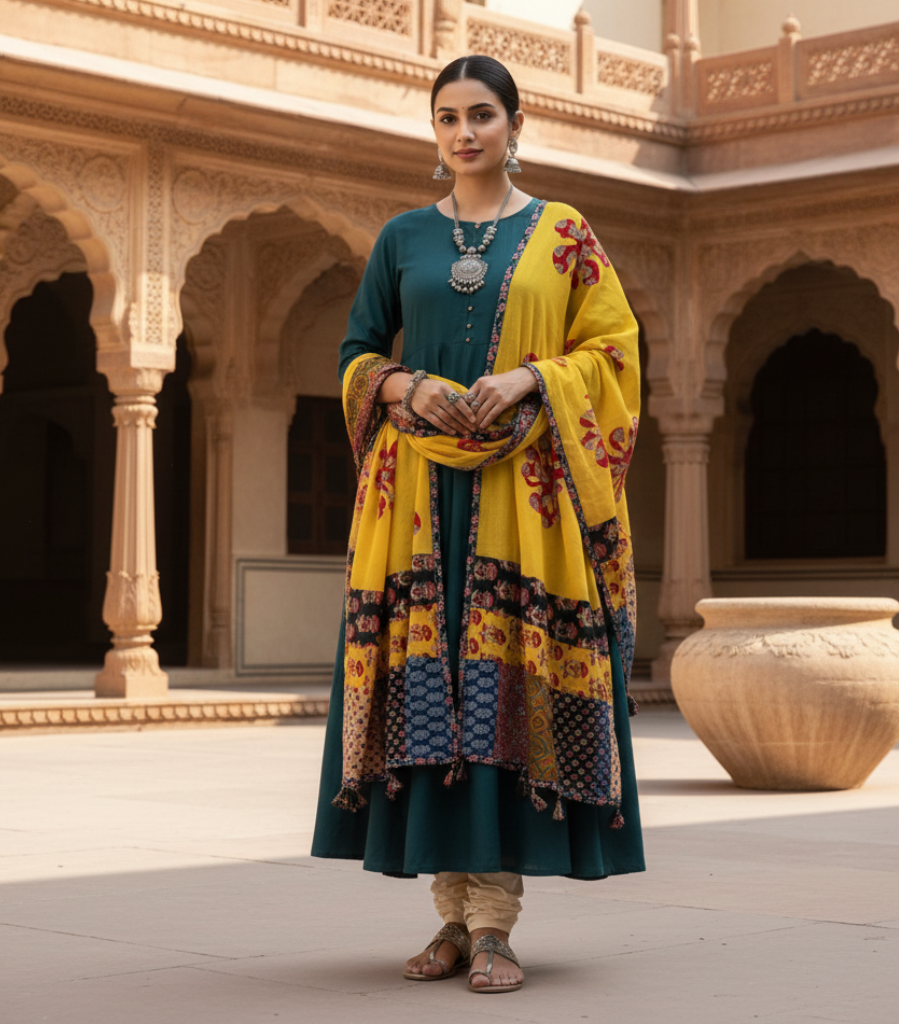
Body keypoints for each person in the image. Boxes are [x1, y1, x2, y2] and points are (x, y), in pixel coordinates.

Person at [311, 54, 644, 994]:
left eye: (482, 115)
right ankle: (450, 921)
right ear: (434, 131)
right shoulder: (404, 238)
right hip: (415, 497)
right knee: (434, 688)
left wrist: (533, 377)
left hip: (522, 502)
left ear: (515, 123)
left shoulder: (564, 235)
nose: (464, 132)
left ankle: (495, 924)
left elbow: (613, 355)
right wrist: (405, 382)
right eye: (448, 116)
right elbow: (357, 354)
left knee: (500, 686)